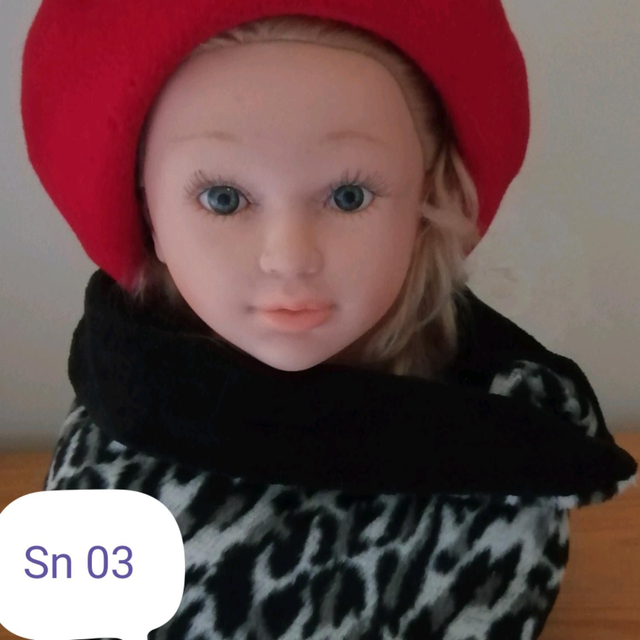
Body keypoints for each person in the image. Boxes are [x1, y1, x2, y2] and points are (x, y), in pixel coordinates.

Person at [20, 2, 637, 639]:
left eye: (348, 196)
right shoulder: (103, 496)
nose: (290, 257)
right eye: (224, 198)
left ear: (426, 198)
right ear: (148, 212)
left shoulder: (508, 471)